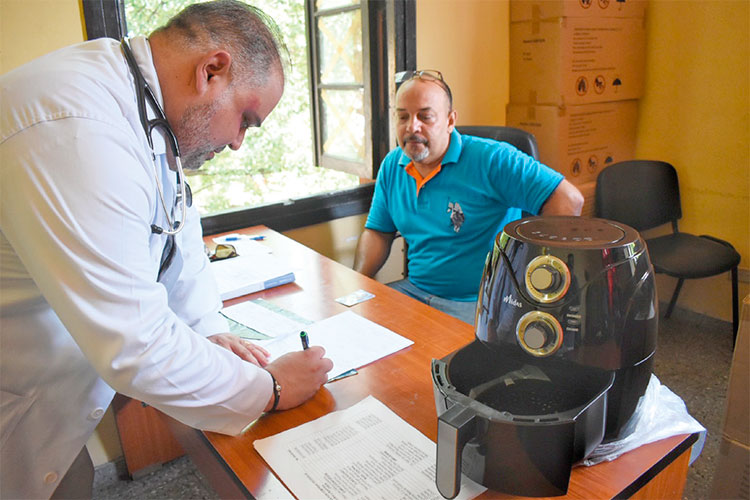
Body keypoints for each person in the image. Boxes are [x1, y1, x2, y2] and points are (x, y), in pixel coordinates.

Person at [0, 2, 332, 498]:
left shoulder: (142, 110)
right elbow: (136, 345)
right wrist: (272, 389)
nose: (239, 143)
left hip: (51, 401)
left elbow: (177, 235)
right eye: (246, 118)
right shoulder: (77, 124)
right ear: (212, 71)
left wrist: (210, 330)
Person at [354, 70, 584, 324]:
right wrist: (358, 285)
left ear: (450, 121)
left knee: (435, 362)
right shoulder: (392, 165)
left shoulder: (493, 159)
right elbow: (378, 232)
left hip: (479, 302)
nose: (412, 127)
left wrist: (531, 275)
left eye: (425, 116)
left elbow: (568, 200)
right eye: (403, 117)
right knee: (355, 331)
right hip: (414, 292)